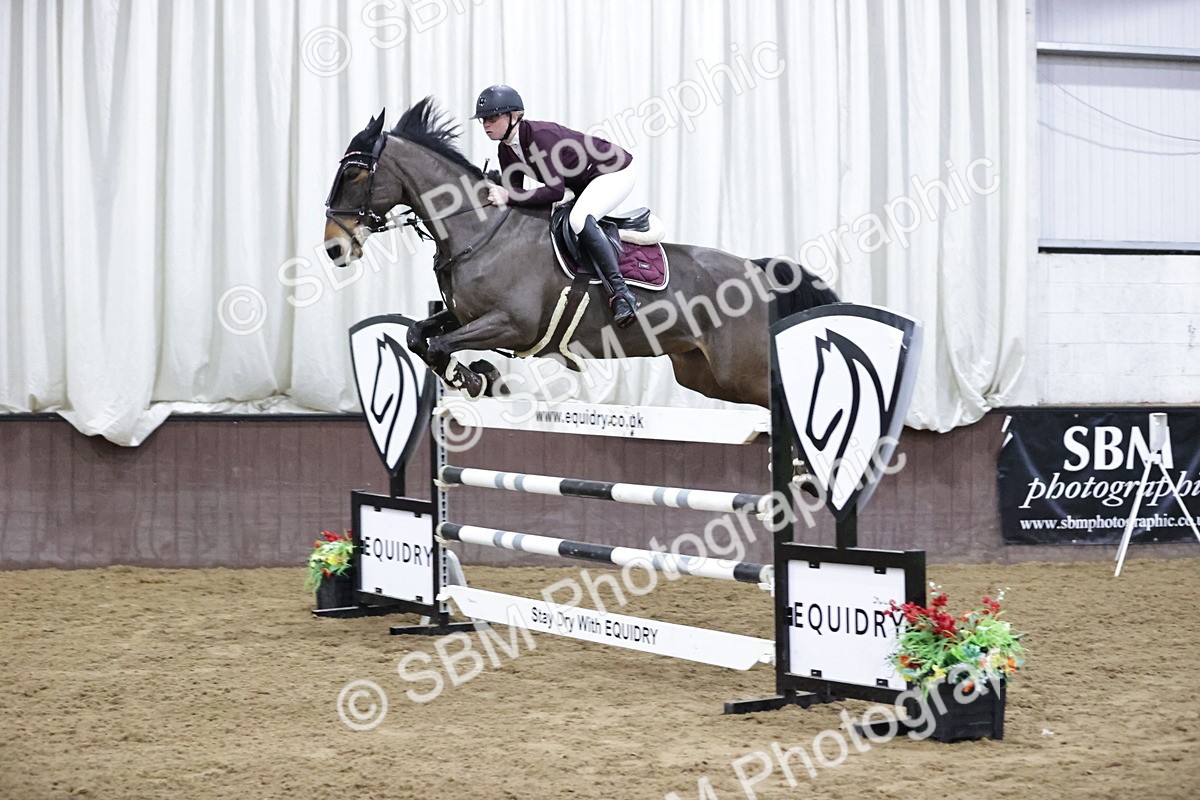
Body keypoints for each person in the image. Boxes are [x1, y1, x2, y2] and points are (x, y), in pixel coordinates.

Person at [472, 85, 639, 328]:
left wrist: (508, 195)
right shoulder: (505, 150)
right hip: (581, 182)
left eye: (493, 117)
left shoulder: (541, 137)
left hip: (614, 172)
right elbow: (515, 198)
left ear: (514, 116)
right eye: (483, 120)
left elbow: (553, 192)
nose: (486, 124)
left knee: (579, 219)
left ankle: (622, 294)